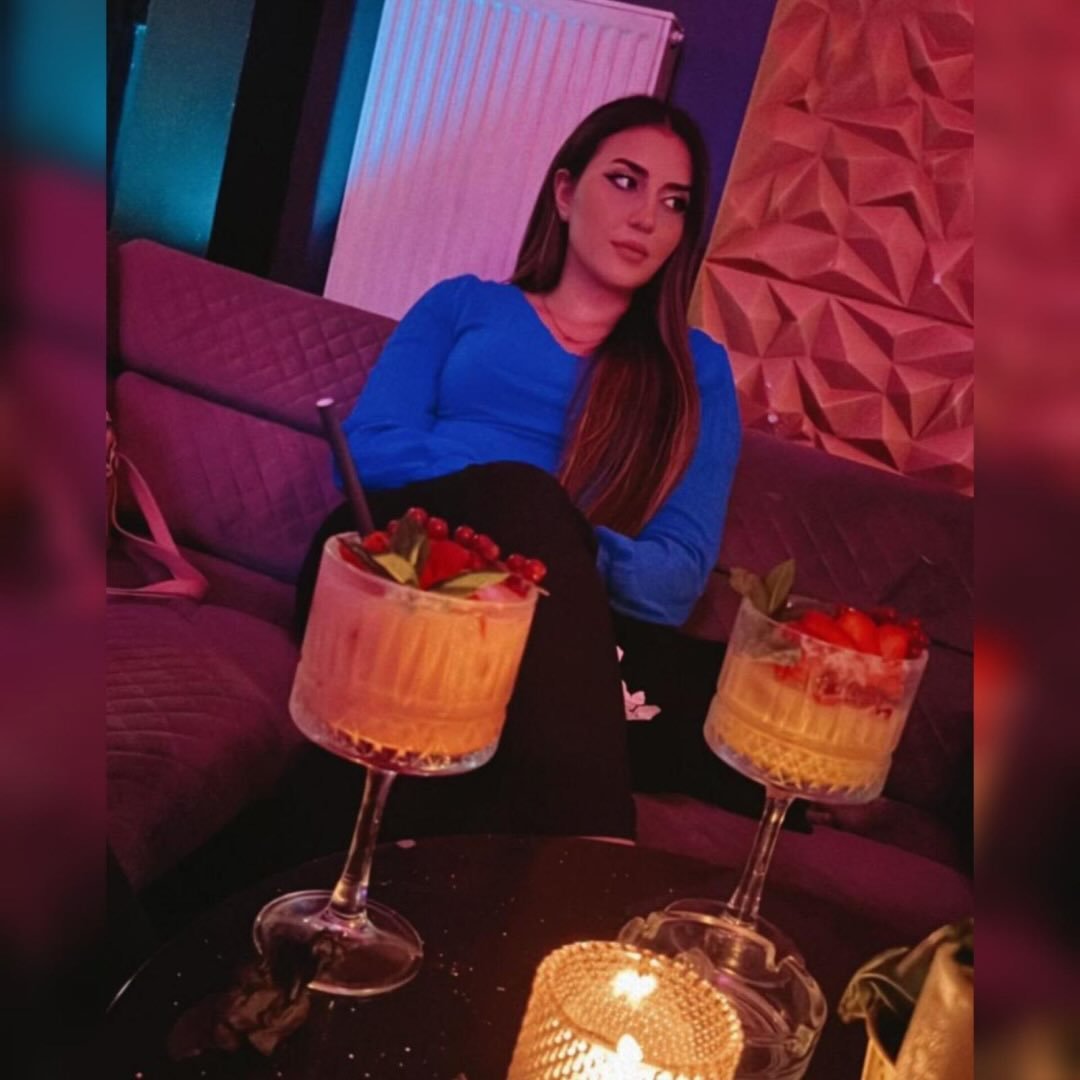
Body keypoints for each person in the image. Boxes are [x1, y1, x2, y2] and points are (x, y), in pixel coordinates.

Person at [296, 95, 743, 842]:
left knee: (486, 652)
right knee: (524, 500)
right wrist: (519, 504)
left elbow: (673, 583)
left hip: (538, 621)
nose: (646, 218)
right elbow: (368, 450)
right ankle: (597, 855)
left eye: (674, 203)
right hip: (394, 559)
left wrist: (552, 542)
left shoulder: (696, 371)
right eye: (625, 181)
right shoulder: (461, 304)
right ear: (565, 192)